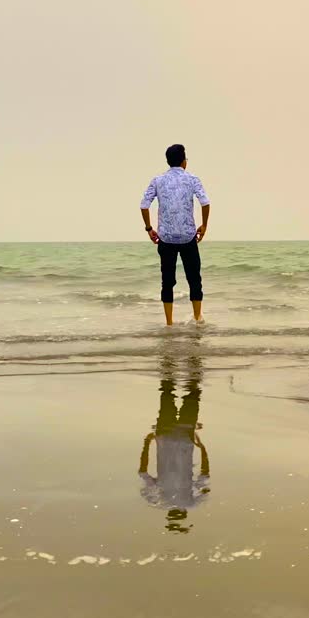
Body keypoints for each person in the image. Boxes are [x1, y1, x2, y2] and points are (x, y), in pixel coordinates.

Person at [139, 144, 211, 326]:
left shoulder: (158, 180)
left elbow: (144, 205)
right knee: (194, 279)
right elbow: (205, 202)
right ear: (183, 161)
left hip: (166, 237)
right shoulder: (192, 179)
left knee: (167, 281)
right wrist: (204, 225)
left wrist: (149, 229)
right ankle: (197, 319)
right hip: (188, 236)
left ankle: (169, 323)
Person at [138, 354, 209, 532]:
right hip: (165, 435)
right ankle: (171, 357)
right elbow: (143, 471)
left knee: (192, 392)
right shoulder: (158, 501)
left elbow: (205, 475)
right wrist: (148, 442)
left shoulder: (191, 502)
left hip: (185, 436)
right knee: (167, 392)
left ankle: (190, 357)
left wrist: (202, 448)